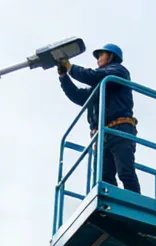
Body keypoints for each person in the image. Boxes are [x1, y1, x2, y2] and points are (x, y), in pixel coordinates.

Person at [57, 43, 141, 194]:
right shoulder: (100, 85)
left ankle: (136, 204)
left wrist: (70, 67)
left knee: (125, 172)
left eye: (101, 55)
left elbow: (92, 75)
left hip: (120, 129)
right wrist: (64, 77)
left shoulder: (117, 72)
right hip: (102, 134)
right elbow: (78, 95)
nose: (98, 59)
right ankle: (112, 206)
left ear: (111, 56)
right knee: (103, 177)